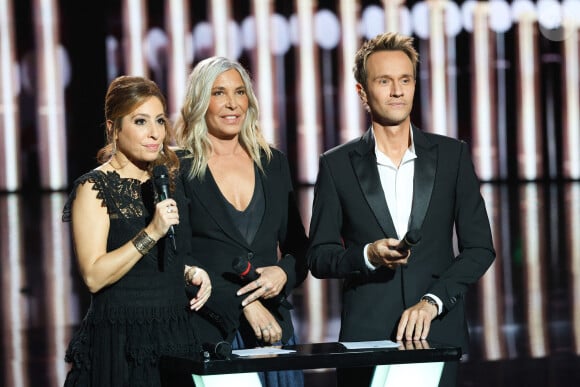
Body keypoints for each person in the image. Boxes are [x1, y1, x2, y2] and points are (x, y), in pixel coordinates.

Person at [306, 32, 496, 387]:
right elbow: (318, 256)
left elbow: (480, 248)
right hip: (366, 341)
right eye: (384, 81)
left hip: (435, 334)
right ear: (362, 92)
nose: (397, 91)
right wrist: (366, 255)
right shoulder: (336, 165)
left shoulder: (452, 156)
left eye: (405, 80)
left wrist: (434, 301)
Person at [61, 75, 211, 387]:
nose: (155, 133)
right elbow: (93, 275)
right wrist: (151, 232)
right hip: (121, 341)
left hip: (174, 333)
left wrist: (190, 272)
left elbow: (163, 261)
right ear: (112, 128)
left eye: (159, 120)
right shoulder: (94, 187)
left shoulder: (167, 180)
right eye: (140, 121)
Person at [175, 56, 309, 387]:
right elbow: (176, 257)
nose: (232, 103)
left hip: (275, 332)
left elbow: (299, 249)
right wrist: (245, 304)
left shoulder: (273, 163)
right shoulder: (178, 166)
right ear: (200, 101)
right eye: (219, 93)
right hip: (213, 333)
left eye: (239, 92)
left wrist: (284, 271)